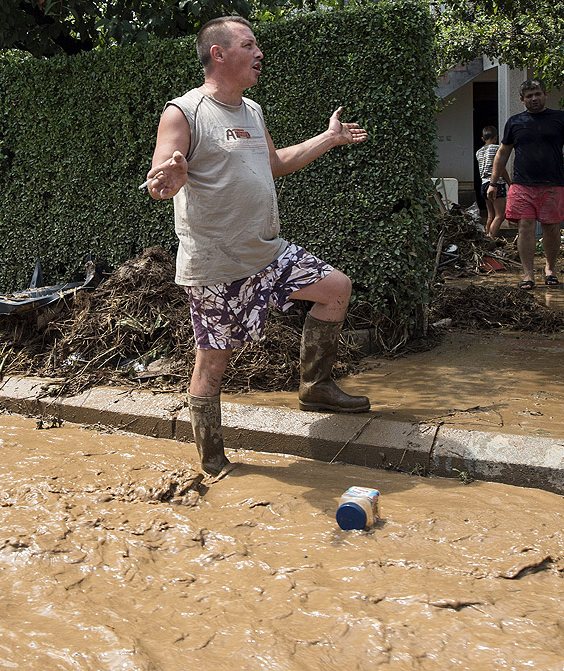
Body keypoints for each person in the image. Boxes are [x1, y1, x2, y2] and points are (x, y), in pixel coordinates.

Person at [145, 16, 370, 477]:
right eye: (250, 45)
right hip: (216, 264)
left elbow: (274, 163)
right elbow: (159, 182)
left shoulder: (252, 110)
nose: (260, 53)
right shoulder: (184, 112)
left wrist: (328, 138)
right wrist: (170, 179)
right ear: (219, 54)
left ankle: (315, 386)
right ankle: (211, 457)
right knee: (212, 362)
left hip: (268, 253)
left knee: (336, 288)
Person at [487, 79, 564, 289]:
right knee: (525, 226)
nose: (534, 98)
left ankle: (550, 269)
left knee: (551, 228)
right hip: (522, 184)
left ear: (545, 94)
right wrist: (493, 182)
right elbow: (503, 153)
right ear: (522, 100)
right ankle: (528, 274)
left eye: (537, 94)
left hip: (553, 184)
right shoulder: (515, 122)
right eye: (529, 96)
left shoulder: (560, 118)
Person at [475, 125, 508, 238]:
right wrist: (510, 183)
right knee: (500, 215)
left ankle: (485, 237)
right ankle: (490, 239)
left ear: (483, 139)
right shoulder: (496, 148)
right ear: (496, 137)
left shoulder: (479, 152)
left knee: (490, 215)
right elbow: (501, 168)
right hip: (495, 183)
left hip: (484, 184)